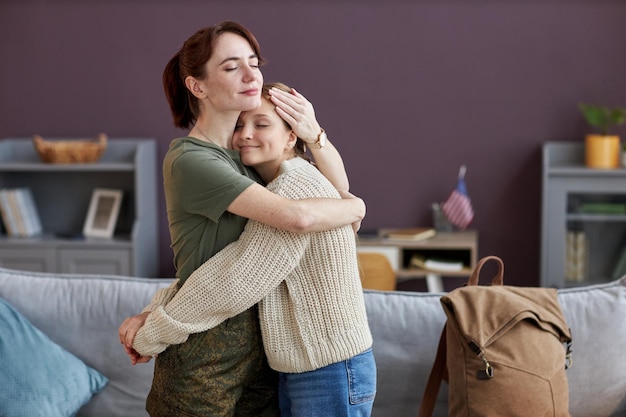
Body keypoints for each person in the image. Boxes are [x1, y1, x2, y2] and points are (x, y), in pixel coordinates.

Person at [118, 22, 365, 417]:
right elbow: (291, 223)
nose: (252, 75)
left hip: (263, 352)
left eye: (254, 62)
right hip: (205, 347)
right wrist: (355, 207)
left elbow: (313, 198)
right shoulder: (194, 160)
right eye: (232, 67)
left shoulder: (249, 159)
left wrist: (316, 134)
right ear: (198, 87)